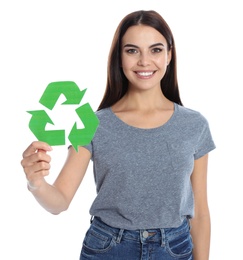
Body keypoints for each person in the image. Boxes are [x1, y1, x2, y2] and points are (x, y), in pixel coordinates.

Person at [21, 10, 216, 260]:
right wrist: (35, 183)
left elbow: (200, 213)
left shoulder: (194, 124)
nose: (144, 61)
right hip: (109, 249)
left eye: (155, 50)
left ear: (169, 54)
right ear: (119, 57)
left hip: (174, 250)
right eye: (132, 50)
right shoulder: (91, 123)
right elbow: (59, 201)